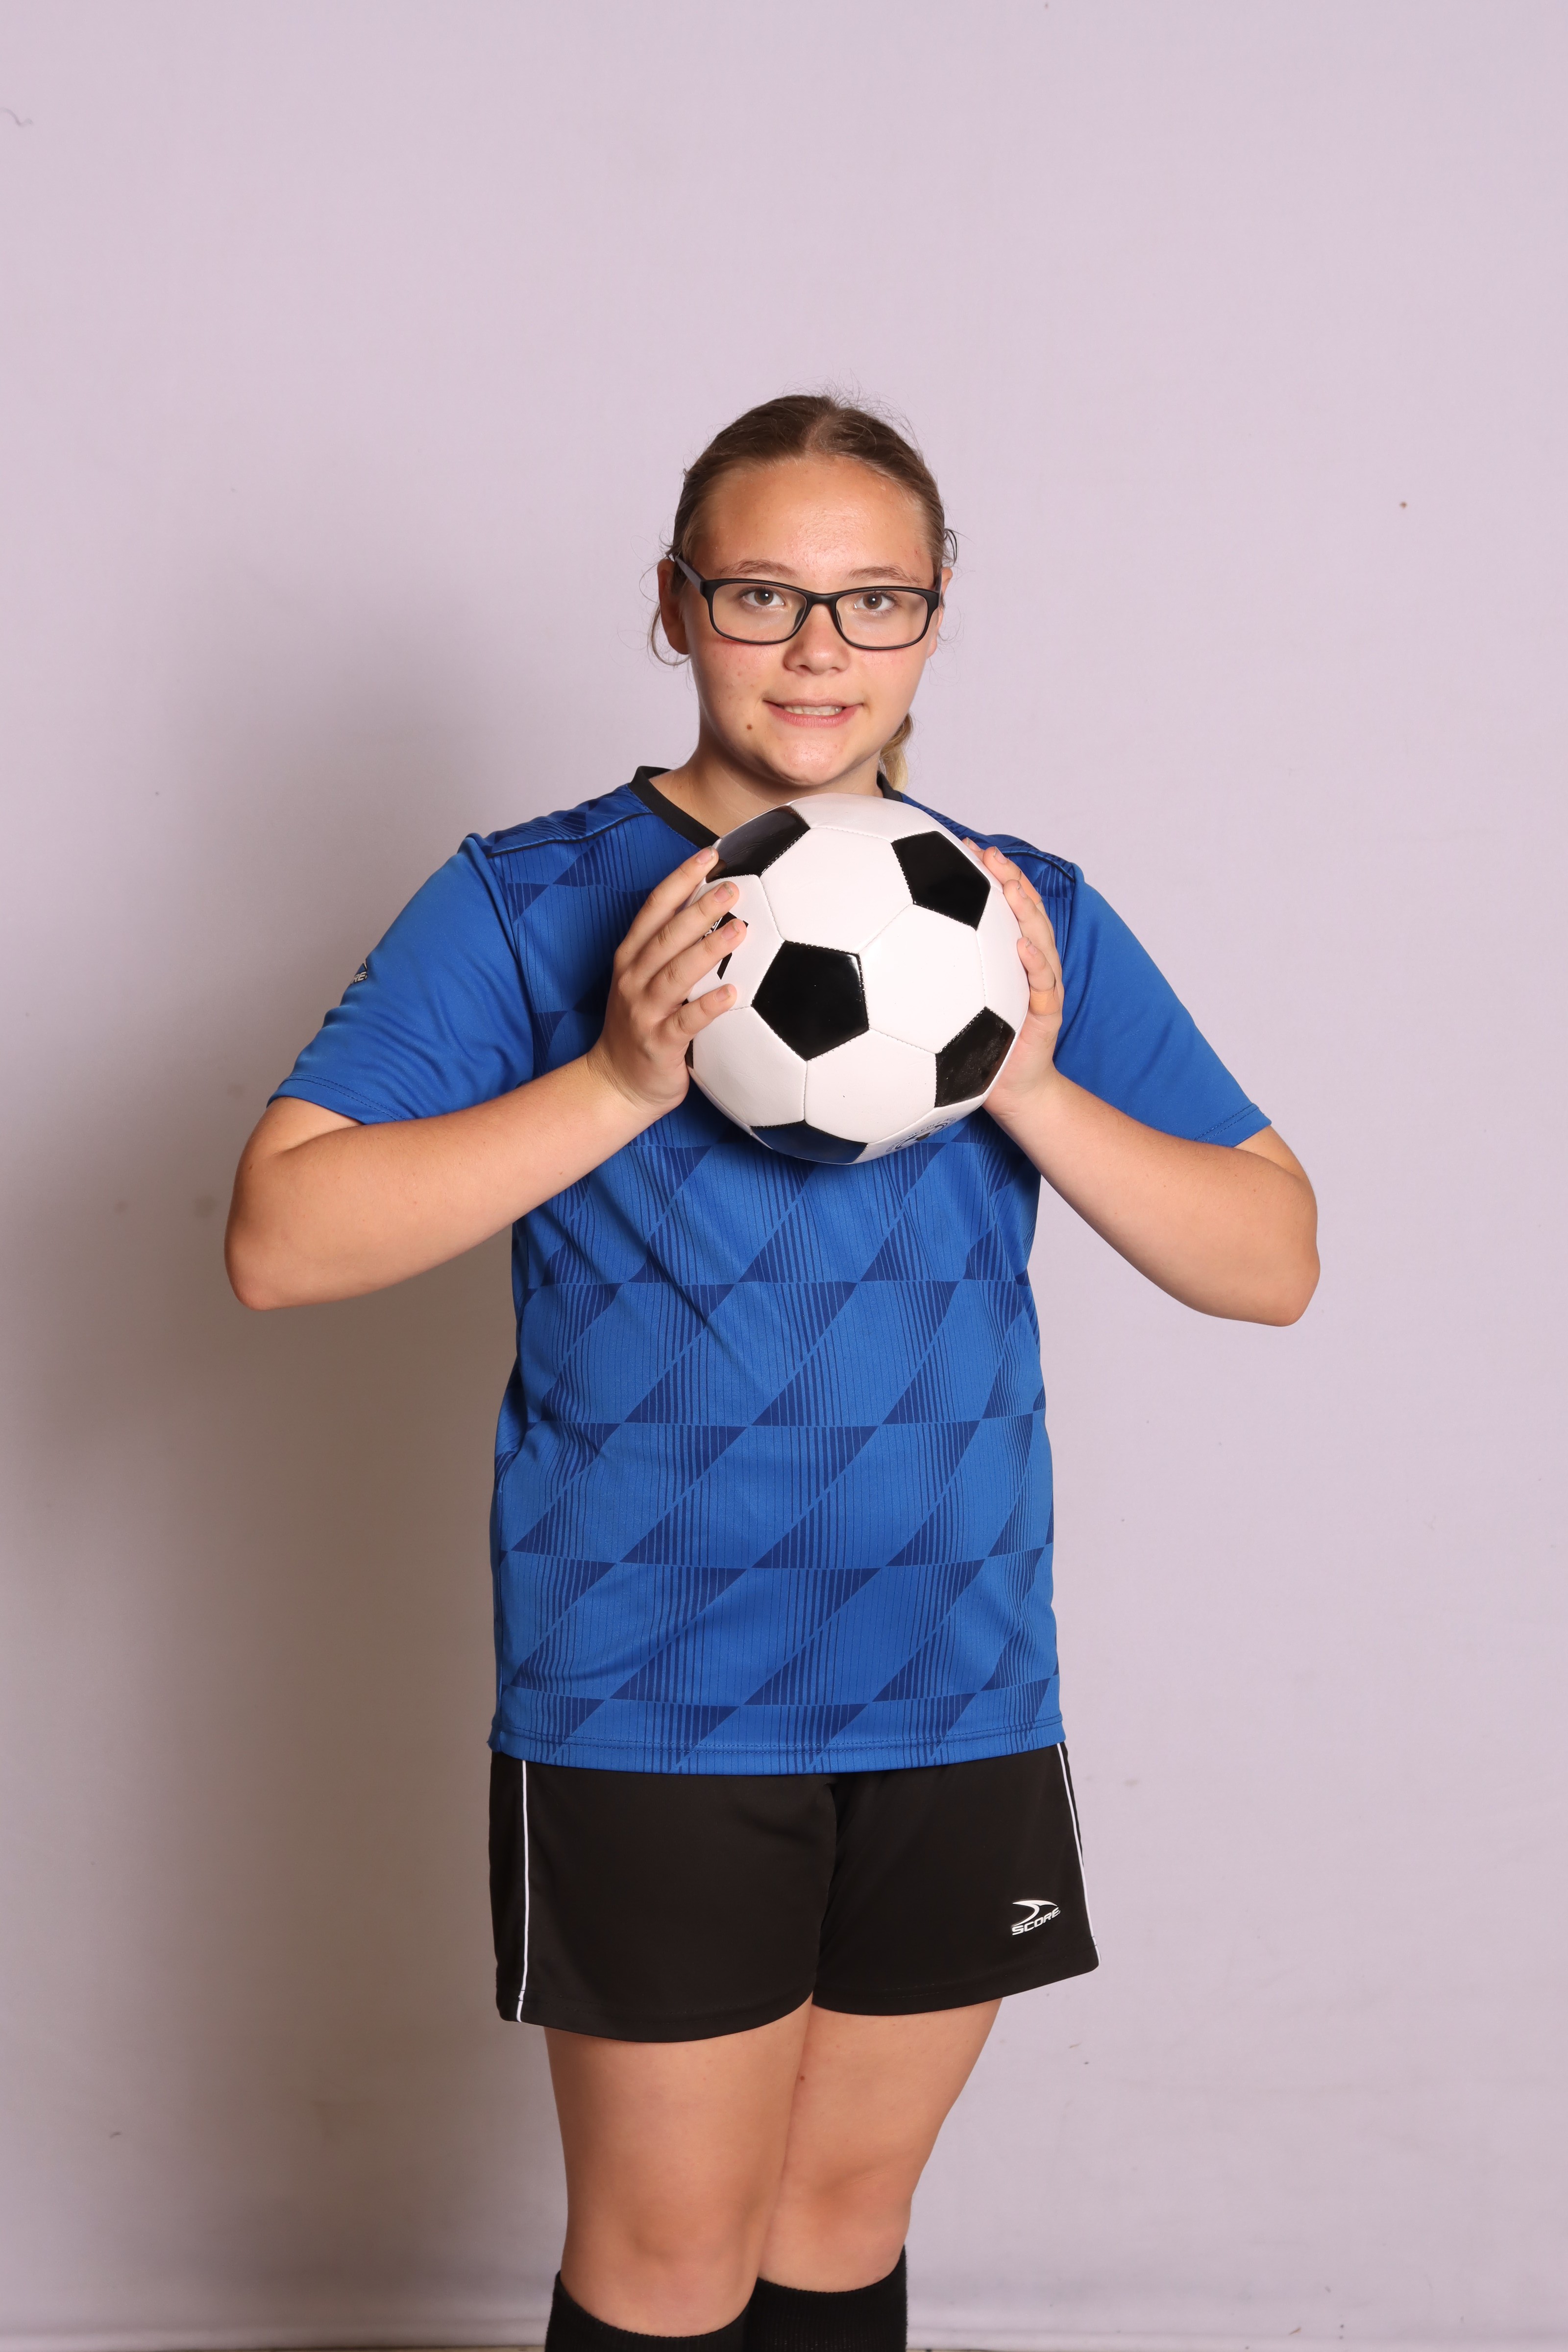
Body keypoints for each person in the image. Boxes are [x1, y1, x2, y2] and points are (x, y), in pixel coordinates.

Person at [226, 394, 1318, 2352]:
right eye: (761, 594)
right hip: (654, 1686)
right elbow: (281, 1240)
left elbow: (1271, 1260)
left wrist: (1029, 1077)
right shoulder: (532, 895)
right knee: (670, 2262)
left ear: (936, 611)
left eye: (872, 599)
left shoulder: (1018, 912)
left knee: (836, 2230)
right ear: (675, 604)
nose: (819, 649)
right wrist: (618, 1077)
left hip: (955, 1669)